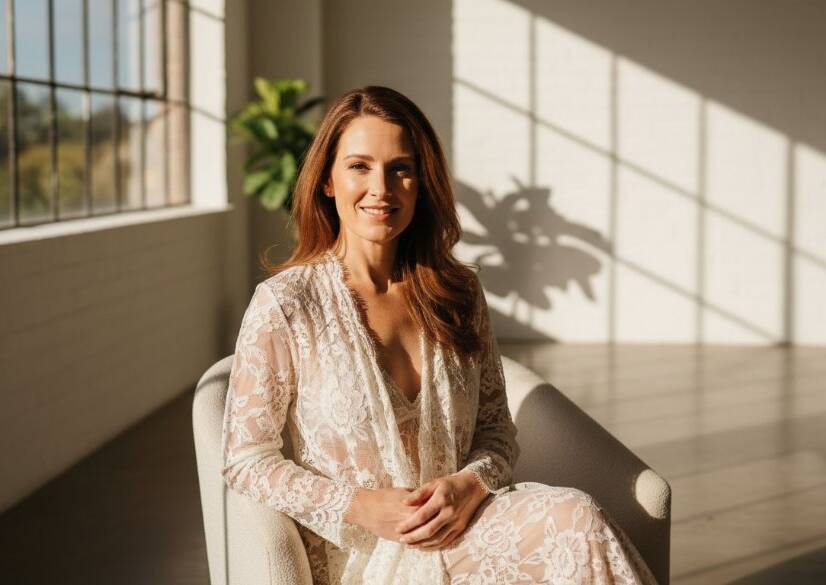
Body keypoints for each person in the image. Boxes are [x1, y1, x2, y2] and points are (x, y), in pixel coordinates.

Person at [221, 86, 658, 585]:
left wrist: (468, 486)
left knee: (577, 519)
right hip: (364, 556)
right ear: (326, 181)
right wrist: (361, 506)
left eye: (400, 168)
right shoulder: (286, 303)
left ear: (421, 184)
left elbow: (495, 433)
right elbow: (245, 460)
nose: (381, 188)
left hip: (466, 530)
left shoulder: (457, 291)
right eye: (359, 166)